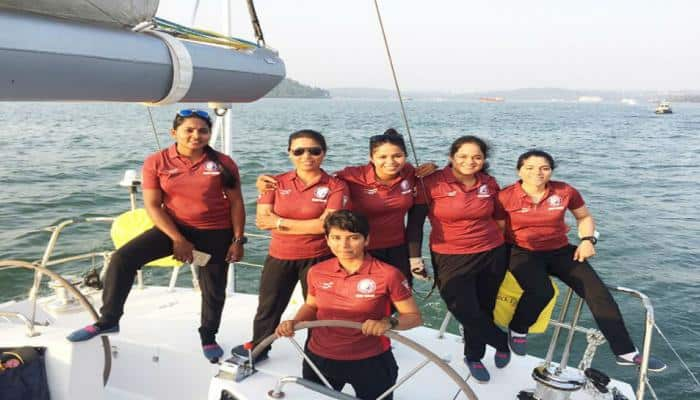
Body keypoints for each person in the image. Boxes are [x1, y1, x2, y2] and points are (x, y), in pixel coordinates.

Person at [67, 109, 246, 362]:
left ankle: (208, 336)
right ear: (174, 133)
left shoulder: (223, 163)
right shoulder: (157, 161)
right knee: (122, 259)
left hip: (215, 231)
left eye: (203, 130)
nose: (196, 135)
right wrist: (178, 239)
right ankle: (108, 320)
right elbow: (152, 205)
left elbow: (237, 203)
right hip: (172, 227)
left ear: (209, 134)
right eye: (189, 130)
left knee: (213, 288)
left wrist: (238, 240)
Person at [496, 149, 666, 372]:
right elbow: (496, 231)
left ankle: (625, 352)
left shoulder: (564, 191)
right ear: (519, 170)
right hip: (521, 251)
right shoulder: (505, 196)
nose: (537, 173)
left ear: (551, 171)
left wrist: (587, 240)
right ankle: (518, 328)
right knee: (542, 291)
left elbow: (583, 216)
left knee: (598, 293)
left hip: (560, 250)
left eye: (544, 168)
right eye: (530, 168)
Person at [275, 210, 422, 400]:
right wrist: (293, 322)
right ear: (327, 239)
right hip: (319, 357)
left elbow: (414, 317)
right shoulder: (316, 271)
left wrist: (388, 323)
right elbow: (312, 306)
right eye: (336, 237)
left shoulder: (389, 274)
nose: (343, 245)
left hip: (370, 361)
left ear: (367, 240)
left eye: (353, 238)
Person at [257, 128, 435, 284]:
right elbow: (320, 179)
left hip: (397, 248)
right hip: (359, 249)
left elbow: (416, 220)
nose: (391, 161)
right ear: (371, 158)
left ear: (405, 157)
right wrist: (267, 183)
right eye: (382, 156)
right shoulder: (351, 176)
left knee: (399, 297)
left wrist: (433, 166)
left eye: (397, 156)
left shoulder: (412, 174)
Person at [232, 129, 350, 361]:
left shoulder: (336, 186)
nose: (307, 156)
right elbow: (263, 220)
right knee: (268, 308)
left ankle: (319, 354)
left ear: (324, 154)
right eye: (299, 151)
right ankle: (258, 349)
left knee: (318, 310)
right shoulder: (274, 183)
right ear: (290, 153)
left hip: (320, 258)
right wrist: (304, 223)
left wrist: (280, 222)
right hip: (280, 256)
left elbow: (326, 226)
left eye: (314, 150)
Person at [406, 135, 510, 383]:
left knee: (484, 308)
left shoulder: (489, 182)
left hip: (492, 253)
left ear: (484, 160)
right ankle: (501, 341)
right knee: (462, 308)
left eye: (477, 157)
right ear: (451, 157)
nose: (470, 161)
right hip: (450, 255)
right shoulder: (430, 182)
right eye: (462, 156)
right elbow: (416, 224)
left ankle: (474, 356)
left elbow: (500, 219)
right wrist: (414, 258)